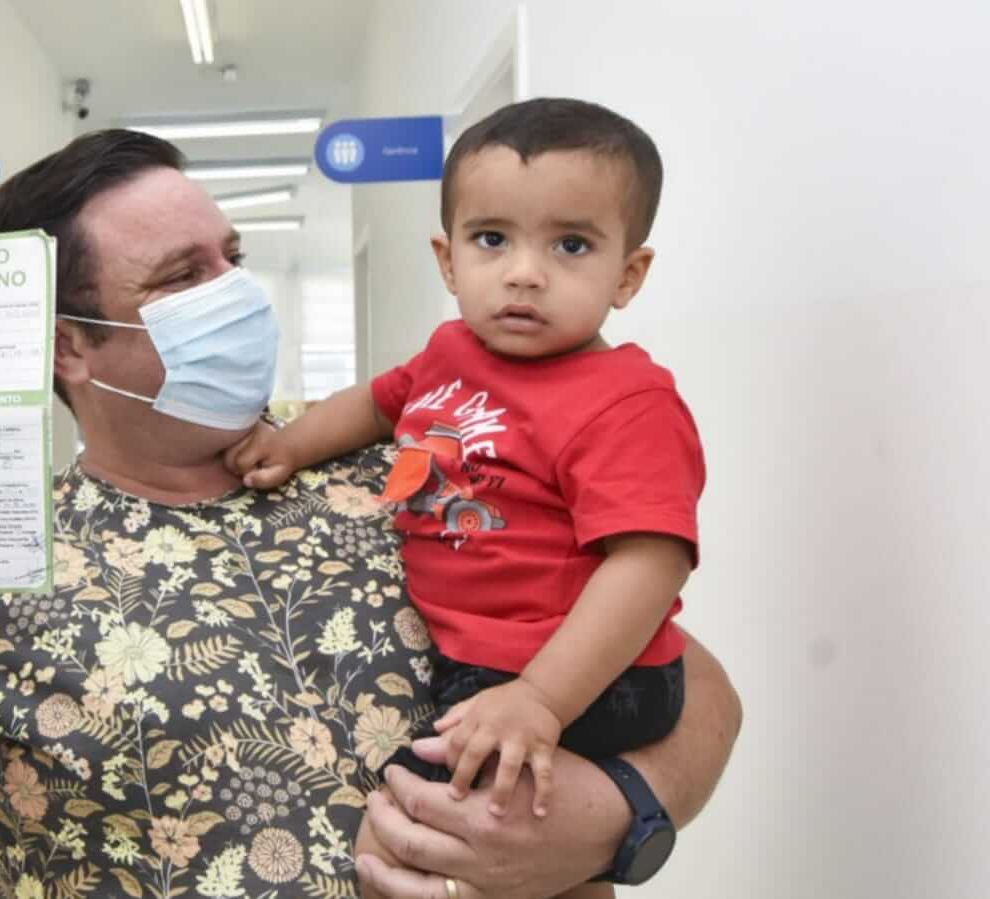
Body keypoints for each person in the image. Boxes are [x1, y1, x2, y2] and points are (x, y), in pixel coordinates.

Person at [0, 128, 742, 899]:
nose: (237, 292)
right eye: (182, 276)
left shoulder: (411, 458)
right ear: (68, 344)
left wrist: (616, 818)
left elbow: (693, 684)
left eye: (232, 255)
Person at [227, 99, 705, 898]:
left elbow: (650, 563)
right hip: (483, 667)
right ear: (449, 262)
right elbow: (380, 403)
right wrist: (291, 442)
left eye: (572, 244)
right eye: (493, 239)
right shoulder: (450, 353)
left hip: (579, 679)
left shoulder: (626, 399)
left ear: (628, 274)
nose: (524, 271)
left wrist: (542, 699)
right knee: (510, 854)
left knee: (435, 837)